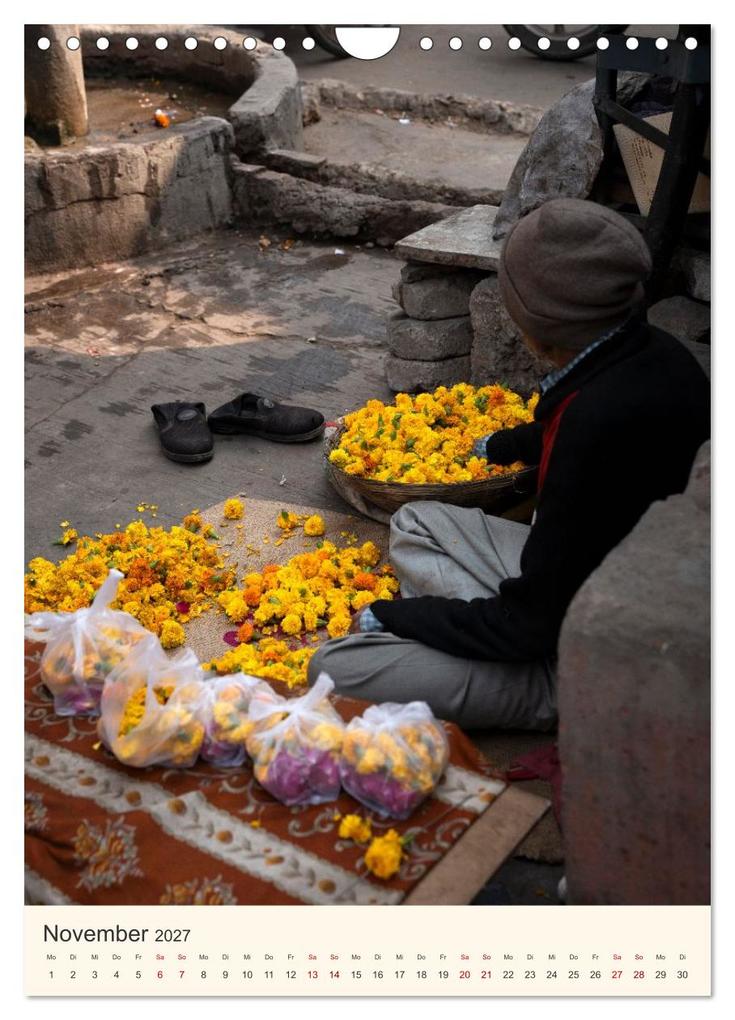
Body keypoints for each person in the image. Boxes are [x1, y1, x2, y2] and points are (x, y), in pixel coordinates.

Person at [307, 198, 710, 730]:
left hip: (597, 653)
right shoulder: (660, 354)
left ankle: (544, 690)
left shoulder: (593, 430)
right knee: (415, 522)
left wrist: (395, 616)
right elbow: (566, 425)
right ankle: (482, 620)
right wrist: (500, 446)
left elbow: (529, 628)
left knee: (334, 666)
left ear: (534, 328)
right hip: (595, 580)